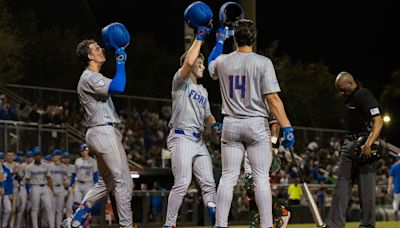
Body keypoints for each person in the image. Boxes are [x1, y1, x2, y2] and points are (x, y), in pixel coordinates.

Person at [208, 19, 295, 228]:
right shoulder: (263, 62)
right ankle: (266, 225)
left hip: (230, 122)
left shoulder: (222, 61)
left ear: (235, 37)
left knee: (228, 177)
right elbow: (273, 99)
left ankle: (220, 224)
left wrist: (220, 40)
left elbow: (211, 65)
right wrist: (287, 127)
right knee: (260, 178)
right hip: (256, 123)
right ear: (253, 37)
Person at [62, 38, 133, 228]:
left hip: (98, 132)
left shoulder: (91, 77)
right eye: (96, 48)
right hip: (103, 132)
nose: (101, 49)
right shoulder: (89, 77)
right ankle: (126, 226)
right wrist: (120, 61)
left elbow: (116, 84)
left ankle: (76, 219)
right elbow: (119, 86)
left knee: (106, 182)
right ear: (89, 56)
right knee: (124, 181)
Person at [163, 22, 219, 228]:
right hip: (180, 137)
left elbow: (207, 116)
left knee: (209, 183)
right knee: (182, 183)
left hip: (198, 140)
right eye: (200, 63)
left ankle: (216, 222)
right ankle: (169, 224)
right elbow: (187, 64)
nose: (203, 66)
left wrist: (215, 125)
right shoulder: (180, 82)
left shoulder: (203, 91)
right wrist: (200, 38)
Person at [326, 71, 383, 228]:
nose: (341, 93)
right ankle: (334, 224)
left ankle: (367, 225)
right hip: (349, 143)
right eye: (339, 90)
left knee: (366, 189)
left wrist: (369, 144)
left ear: (351, 83)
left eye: (343, 89)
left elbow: (378, 121)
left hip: (365, 144)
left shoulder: (364, 95)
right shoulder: (348, 96)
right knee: (342, 184)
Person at [25, 148, 56, 228]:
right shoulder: (29, 167)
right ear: (34, 156)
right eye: (36, 155)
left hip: (45, 187)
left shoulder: (45, 165)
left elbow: (49, 178)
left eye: (39, 155)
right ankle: (35, 226)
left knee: (49, 207)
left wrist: (52, 190)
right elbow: (27, 180)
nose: (38, 157)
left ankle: (51, 226)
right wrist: (28, 192)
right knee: (35, 209)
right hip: (35, 187)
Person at [388, 154, 400, 221]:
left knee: (396, 201)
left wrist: (389, 187)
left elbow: (390, 177)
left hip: (397, 187)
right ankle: (395, 213)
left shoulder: (394, 166)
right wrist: (389, 187)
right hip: (397, 187)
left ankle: (395, 212)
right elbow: (390, 177)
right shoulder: (394, 166)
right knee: (396, 201)